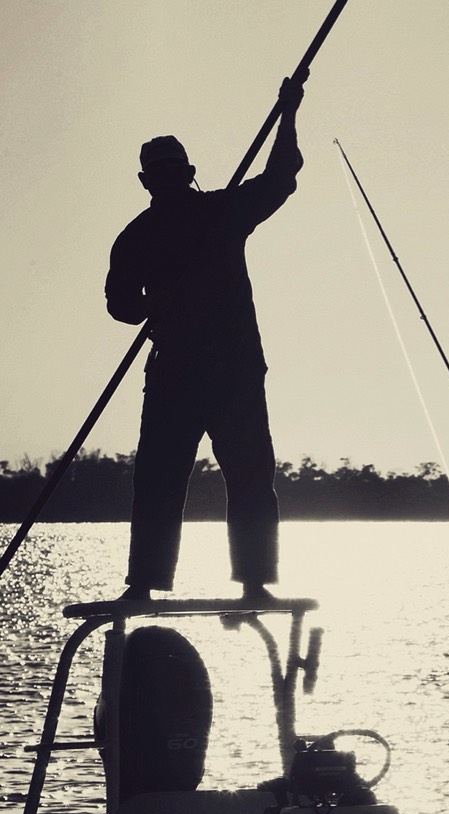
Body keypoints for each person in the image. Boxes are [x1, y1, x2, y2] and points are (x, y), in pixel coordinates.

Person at [105, 73, 308, 602]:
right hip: (175, 374)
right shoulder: (139, 237)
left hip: (234, 374)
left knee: (247, 477)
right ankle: (145, 582)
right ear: (148, 181)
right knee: (159, 480)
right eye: (161, 175)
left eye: (174, 173)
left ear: (186, 175)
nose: (168, 181)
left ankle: (255, 583)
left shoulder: (221, 213)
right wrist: (152, 305)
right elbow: (120, 303)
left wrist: (288, 114)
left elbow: (282, 176)